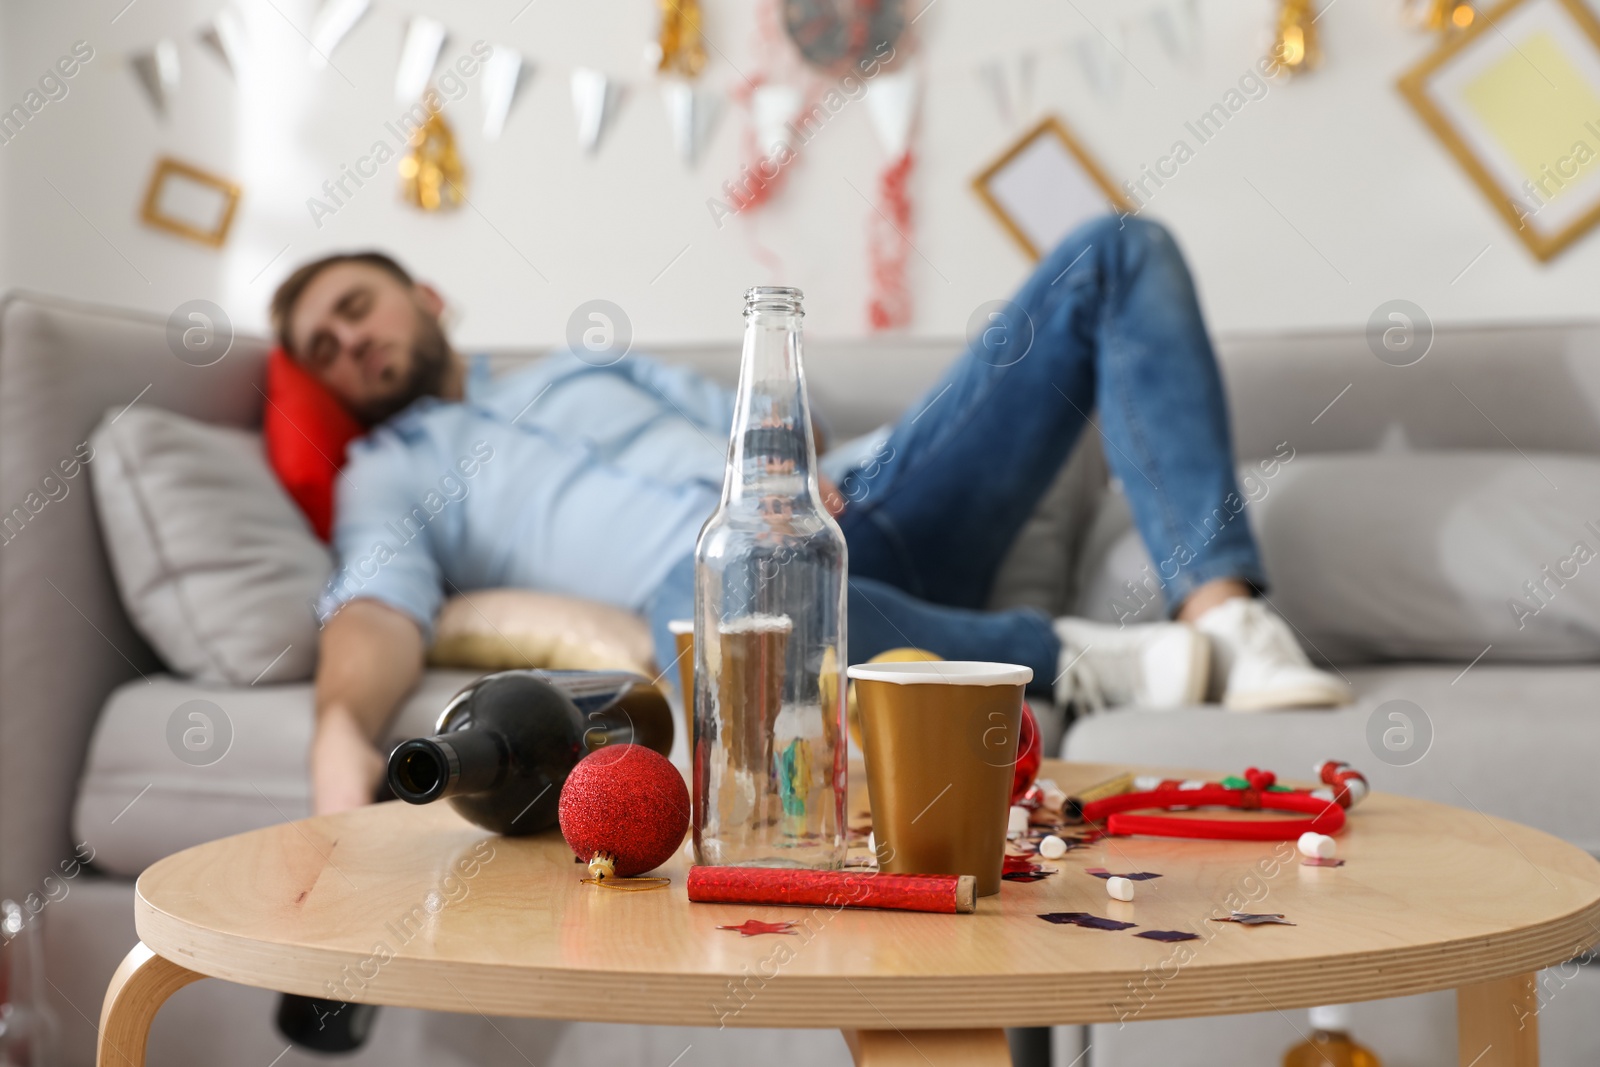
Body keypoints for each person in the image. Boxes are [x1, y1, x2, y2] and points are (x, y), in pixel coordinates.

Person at [272, 216, 1349, 816]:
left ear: (423, 296)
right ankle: (1067, 660)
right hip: (744, 610)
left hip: (873, 505)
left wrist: (791, 465)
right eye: (323, 348)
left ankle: (1223, 621)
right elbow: (373, 605)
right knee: (705, 595)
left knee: (1114, 252)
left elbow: (778, 409)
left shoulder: (582, 362)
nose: (350, 345)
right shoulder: (389, 471)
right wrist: (336, 725)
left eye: (356, 307)